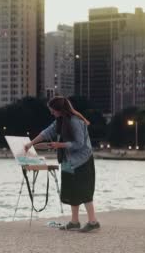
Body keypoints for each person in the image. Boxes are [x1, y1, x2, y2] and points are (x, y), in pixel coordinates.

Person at [24, 96, 100, 233]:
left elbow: (79, 144)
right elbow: (46, 132)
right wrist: (31, 143)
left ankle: (93, 221)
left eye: (53, 110)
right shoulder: (60, 121)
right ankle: (74, 222)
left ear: (60, 110)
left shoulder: (75, 121)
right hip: (67, 161)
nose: (51, 113)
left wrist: (60, 145)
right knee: (70, 190)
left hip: (82, 161)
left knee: (84, 190)